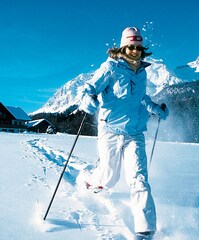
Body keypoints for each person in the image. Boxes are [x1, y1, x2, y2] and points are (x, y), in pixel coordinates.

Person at [79, 27, 169, 240]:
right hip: (110, 130)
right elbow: (88, 89)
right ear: (122, 47)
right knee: (109, 178)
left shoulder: (143, 72)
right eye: (130, 46)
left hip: (135, 133)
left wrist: (155, 108)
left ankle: (145, 229)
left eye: (138, 47)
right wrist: (87, 101)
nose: (134, 51)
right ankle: (92, 180)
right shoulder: (110, 68)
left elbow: (140, 98)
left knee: (139, 179)